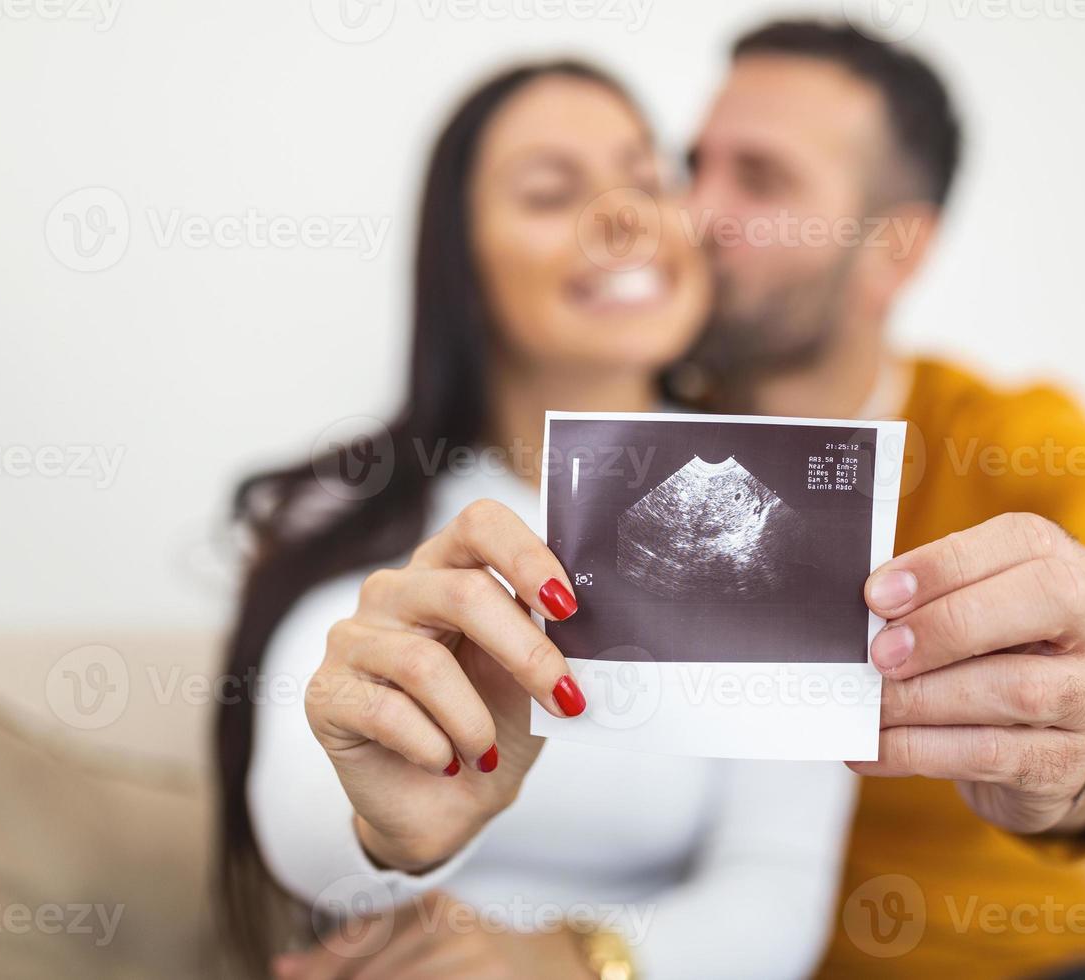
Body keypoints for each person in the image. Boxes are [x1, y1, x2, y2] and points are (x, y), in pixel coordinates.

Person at [215, 61, 856, 980]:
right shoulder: (358, 509)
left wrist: (565, 960)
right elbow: (303, 824)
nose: (623, 218)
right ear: (461, 265)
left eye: (646, 178)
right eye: (552, 192)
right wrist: (394, 834)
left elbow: (780, 893)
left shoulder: (785, 498)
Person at [677, 20, 1085, 980]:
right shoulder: (620, 450)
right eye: (694, 167)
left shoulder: (1013, 434)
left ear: (893, 252)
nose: (694, 213)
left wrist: (1075, 759)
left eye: (761, 180)